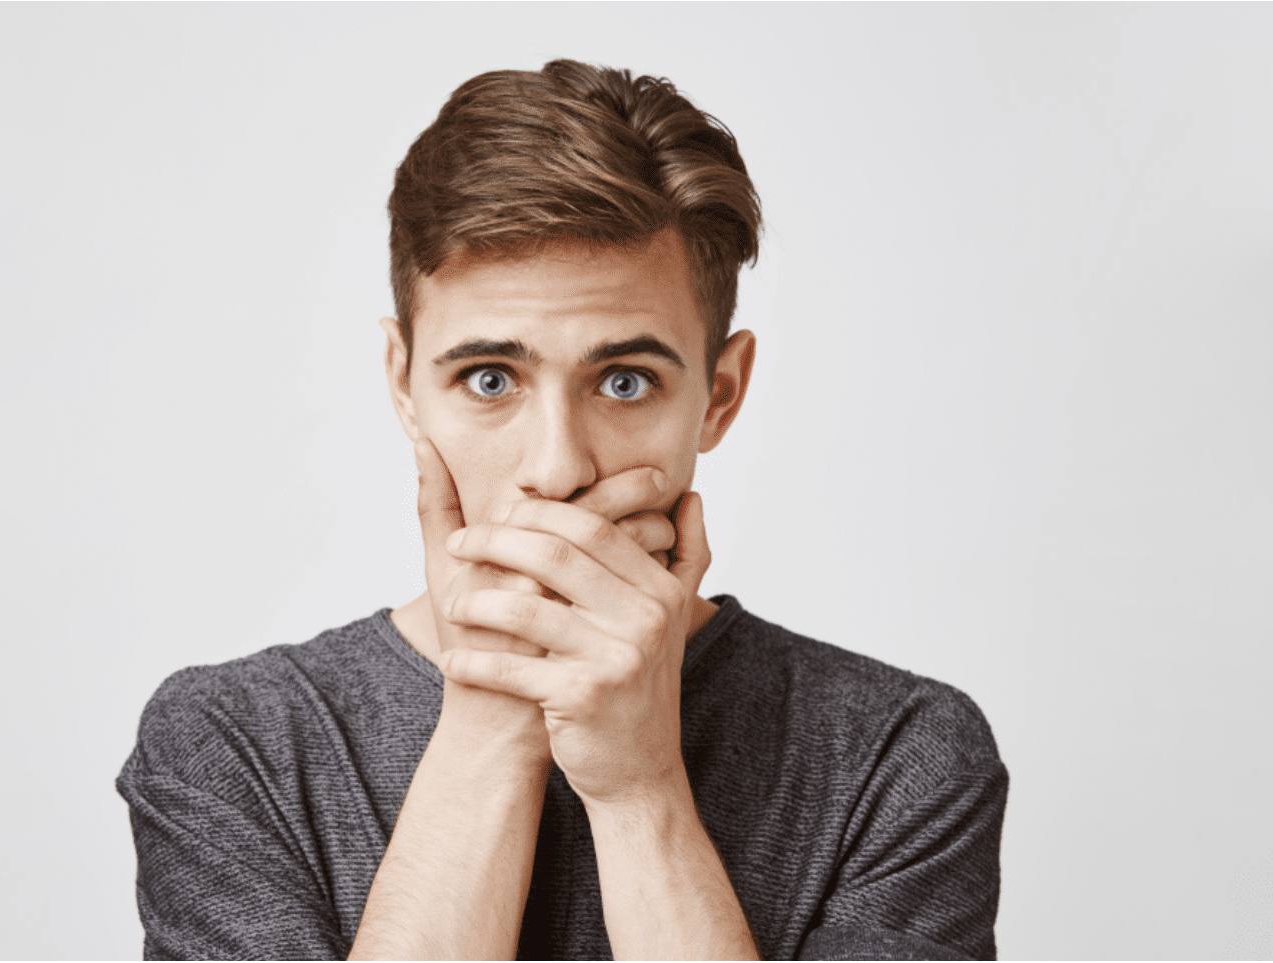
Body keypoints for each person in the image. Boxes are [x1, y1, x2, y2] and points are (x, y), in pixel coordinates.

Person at [116, 59, 1008, 961]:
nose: (556, 468)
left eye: (624, 382)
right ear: (404, 385)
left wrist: (640, 790)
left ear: (719, 395)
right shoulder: (231, 745)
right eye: (489, 378)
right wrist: (490, 718)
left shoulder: (900, 756)